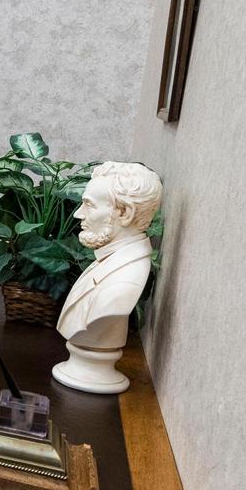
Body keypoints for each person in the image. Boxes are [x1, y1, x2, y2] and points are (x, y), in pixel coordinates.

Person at [53, 162, 162, 393]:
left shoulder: (125, 280)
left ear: (124, 213)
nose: (78, 214)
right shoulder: (109, 261)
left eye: (89, 205)